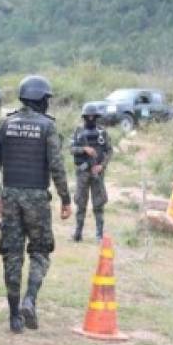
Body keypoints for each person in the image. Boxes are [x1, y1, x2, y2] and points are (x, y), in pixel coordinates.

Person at [0, 75, 71, 333]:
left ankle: (14, 317)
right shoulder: (47, 127)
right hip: (37, 198)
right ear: (41, 99)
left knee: (12, 255)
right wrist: (65, 199)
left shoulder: (5, 124)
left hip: (10, 197)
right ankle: (30, 299)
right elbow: (56, 167)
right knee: (40, 251)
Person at [70, 103, 113, 242]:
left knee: (98, 204)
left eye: (93, 116)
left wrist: (102, 166)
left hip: (97, 173)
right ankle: (78, 234)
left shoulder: (102, 132)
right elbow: (71, 149)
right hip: (82, 173)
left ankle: (99, 235)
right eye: (88, 116)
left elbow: (109, 151)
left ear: (96, 116)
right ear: (84, 116)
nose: (90, 118)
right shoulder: (78, 131)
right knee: (80, 204)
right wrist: (84, 149)